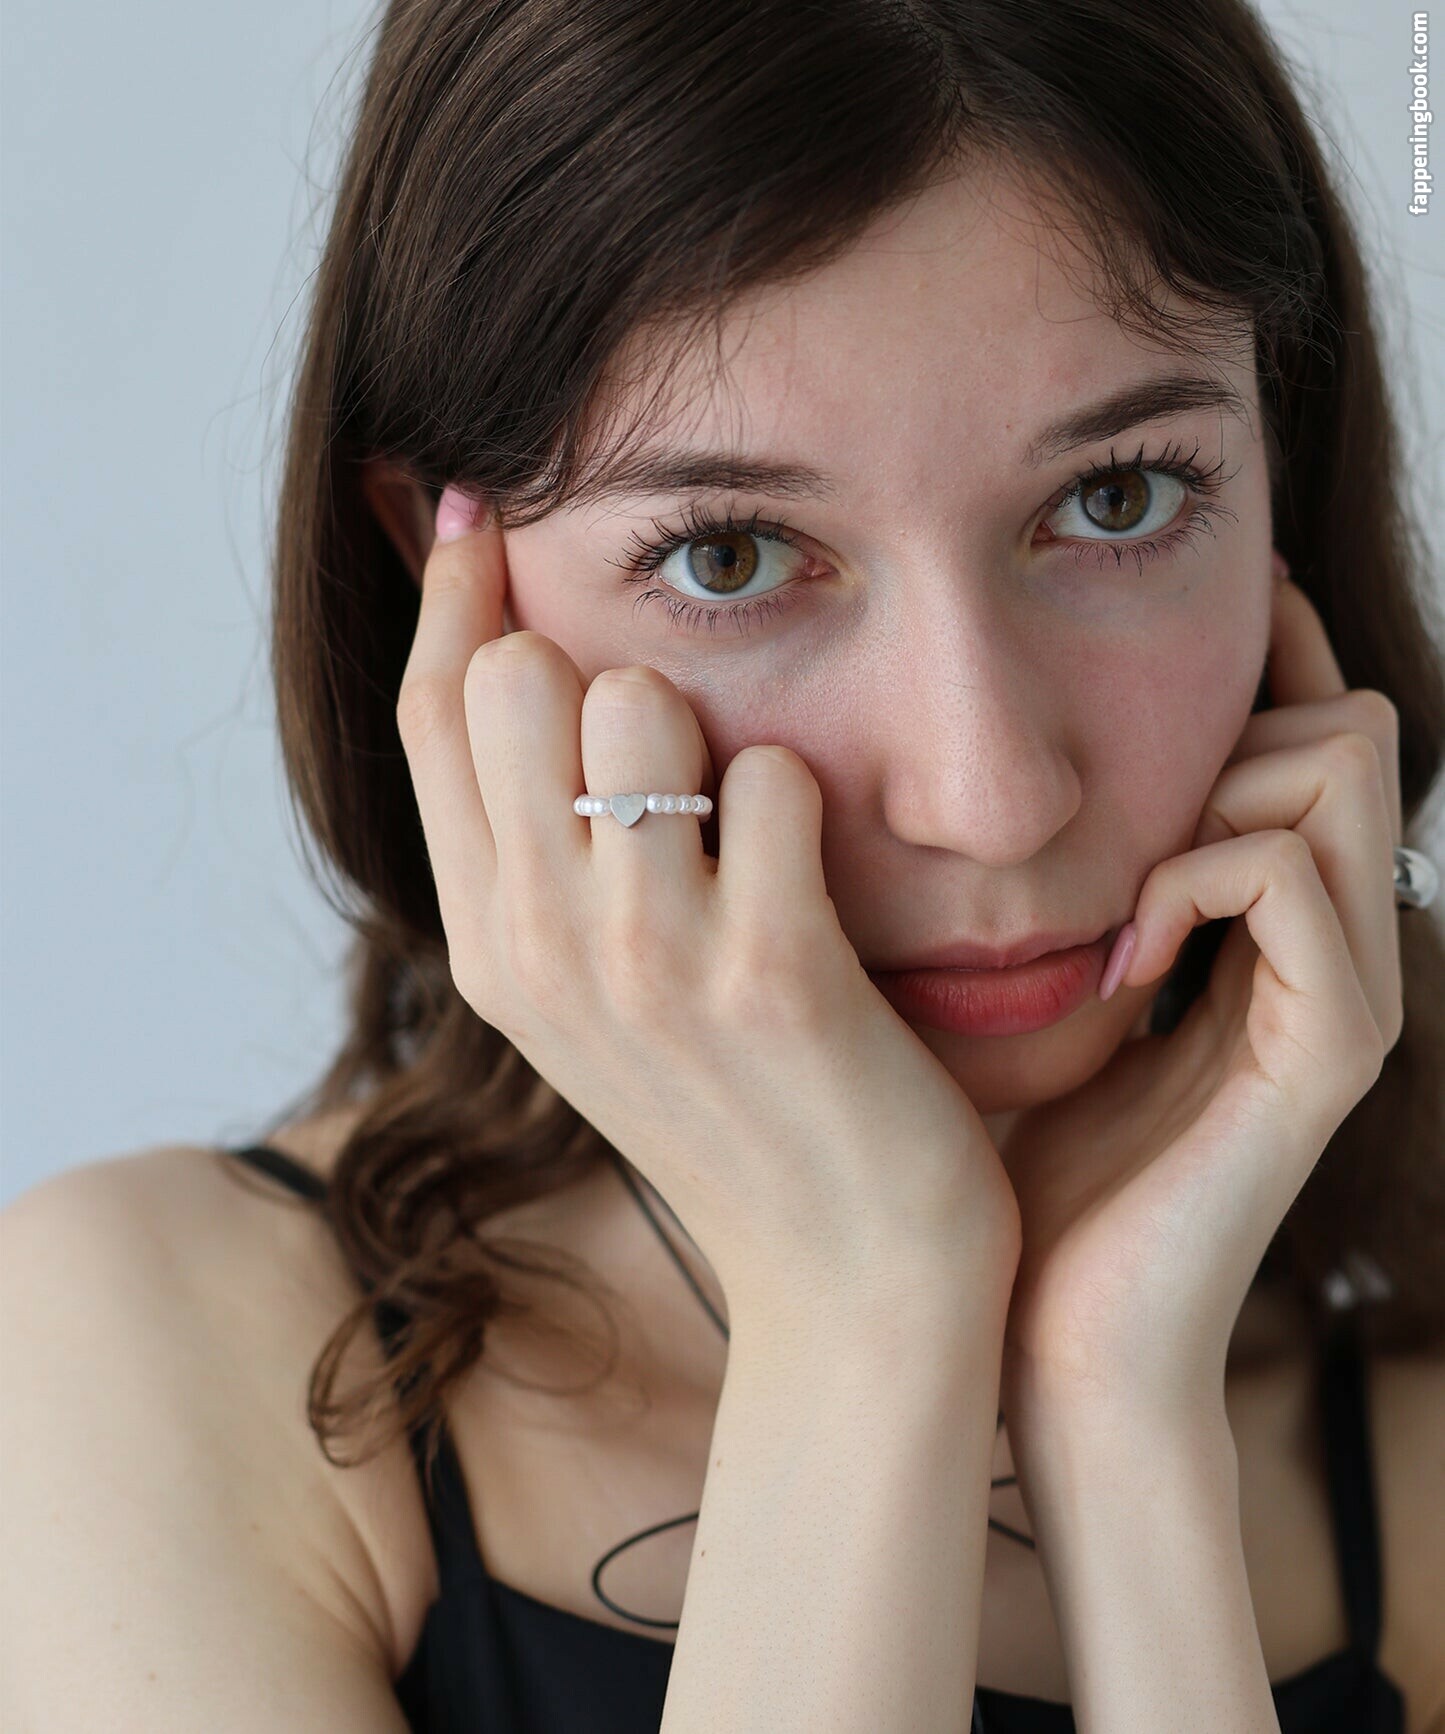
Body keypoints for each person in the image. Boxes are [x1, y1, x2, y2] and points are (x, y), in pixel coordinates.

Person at [4, 0, 1444, 1728]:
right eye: (734, 553)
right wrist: (864, 1307)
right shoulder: (140, 1361)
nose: (989, 797)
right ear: (454, 589)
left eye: (1119, 496)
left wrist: (1122, 1413)